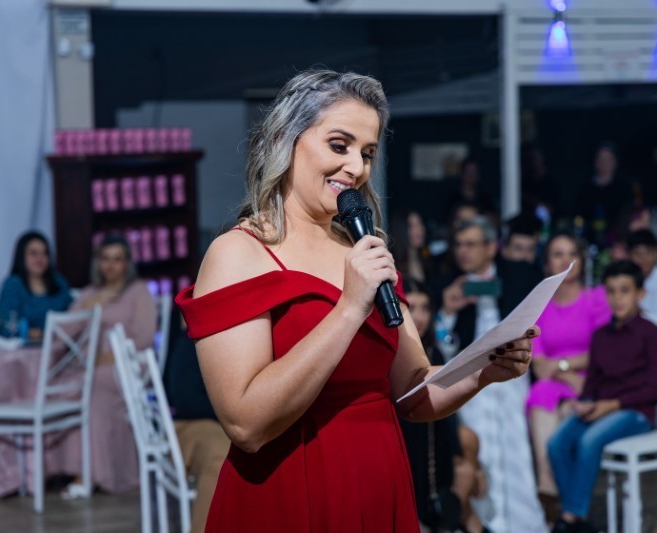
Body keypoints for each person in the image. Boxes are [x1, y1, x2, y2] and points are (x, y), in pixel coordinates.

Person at [174, 69, 536, 533]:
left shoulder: (364, 251)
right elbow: (246, 424)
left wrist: (482, 370)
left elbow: (413, 391)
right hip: (291, 489)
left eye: (366, 153)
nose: (357, 168)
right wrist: (348, 308)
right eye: (339, 145)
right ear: (286, 140)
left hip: (379, 478)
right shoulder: (238, 253)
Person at [436, 216, 546, 532]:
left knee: (516, 450)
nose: (463, 252)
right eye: (459, 245)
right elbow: (442, 348)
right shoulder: (447, 283)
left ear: (491, 247)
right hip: (470, 380)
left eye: (471, 244)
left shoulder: (519, 275)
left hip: (513, 376)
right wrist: (449, 310)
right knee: (480, 448)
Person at [548, 260, 657, 533]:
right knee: (556, 443)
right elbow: (593, 382)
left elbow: (655, 388)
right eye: (611, 291)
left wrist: (612, 405)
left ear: (641, 294)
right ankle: (575, 518)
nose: (617, 298)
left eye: (624, 290)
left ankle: (570, 518)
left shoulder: (654, 335)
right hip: (600, 407)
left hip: (635, 411)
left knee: (589, 441)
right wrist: (584, 403)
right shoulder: (601, 336)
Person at [525, 232, 611, 523]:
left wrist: (561, 366)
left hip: (593, 381)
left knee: (560, 410)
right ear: (546, 263)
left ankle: (555, 497)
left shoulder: (596, 299)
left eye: (571, 253)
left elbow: (603, 352)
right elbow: (539, 367)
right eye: (557, 254)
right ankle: (555, 492)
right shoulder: (539, 305)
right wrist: (567, 373)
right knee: (541, 391)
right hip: (557, 385)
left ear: (581, 261)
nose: (565, 260)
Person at [61, 234, 157, 497]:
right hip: (89, 365)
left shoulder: (138, 292)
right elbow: (64, 333)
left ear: (127, 263)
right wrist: (88, 305)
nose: (111, 265)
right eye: (105, 258)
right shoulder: (89, 293)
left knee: (95, 386)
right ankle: (70, 466)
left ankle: (89, 475)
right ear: (98, 262)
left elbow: (146, 336)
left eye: (117, 259)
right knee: (65, 386)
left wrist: (111, 356)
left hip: (128, 364)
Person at [399, 278, 488, 533]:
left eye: (425, 308)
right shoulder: (393, 356)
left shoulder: (434, 353)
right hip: (407, 454)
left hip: (436, 457)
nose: (419, 317)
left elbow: (448, 419)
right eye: (411, 308)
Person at [165, 322, 232, 533]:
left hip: (212, 422)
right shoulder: (191, 340)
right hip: (189, 424)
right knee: (220, 456)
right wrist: (234, 410)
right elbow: (186, 401)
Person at [0, 231, 72, 339]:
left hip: (63, 344)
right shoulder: (13, 284)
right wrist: (38, 333)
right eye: (33, 253)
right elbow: (6, 326)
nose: (40, 258)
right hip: (25, 347)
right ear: (21, 256)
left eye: (44, 253)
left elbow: (72, 315)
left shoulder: (59, 282)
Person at [577, 143, 634, 248]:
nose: (604, 163)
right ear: (595, 162)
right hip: (589, 242)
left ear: (615, 162)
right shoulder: (586, 190)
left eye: (608, 159)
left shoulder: (624, 189)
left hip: (618, 243)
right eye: (601, 159)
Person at [390, 210, 435, 283]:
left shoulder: (427, 259)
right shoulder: (393, 263)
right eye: (412, 226)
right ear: (401, 230)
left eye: (420, 223)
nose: (420, 228)